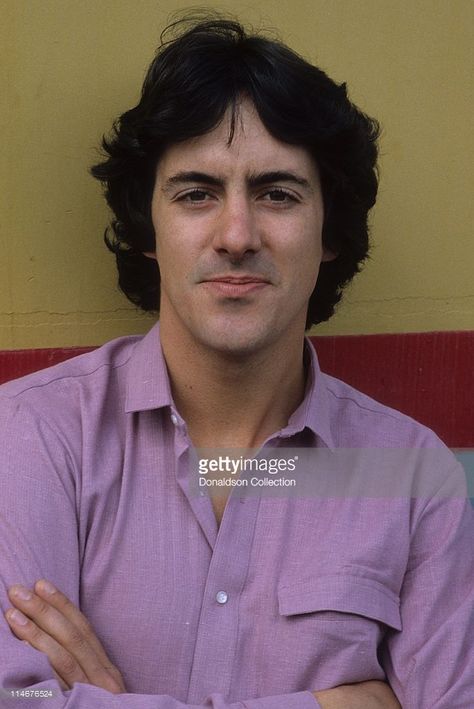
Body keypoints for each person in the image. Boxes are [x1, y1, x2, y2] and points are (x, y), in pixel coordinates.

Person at [0, 15, 473, 709]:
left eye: (278, 193)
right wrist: (331, 705)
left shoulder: (410, 477)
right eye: (196, 193)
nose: (237, 234)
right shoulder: (33, 436)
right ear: (148, 229)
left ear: (329, 231)